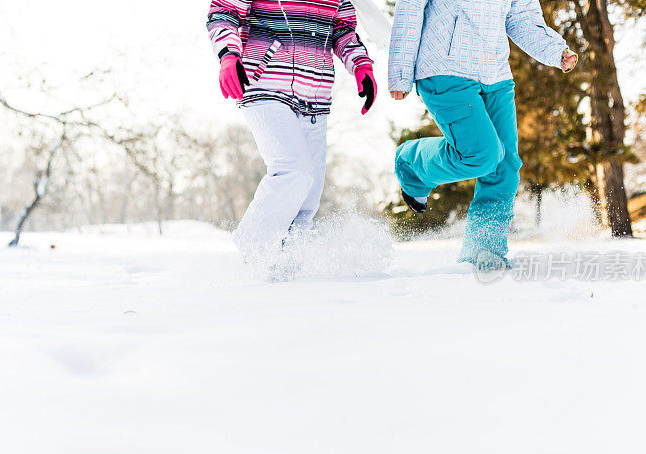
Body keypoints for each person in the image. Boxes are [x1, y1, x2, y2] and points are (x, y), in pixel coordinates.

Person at [389, 0, 578, 271]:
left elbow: (522, 18)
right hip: (445, 66)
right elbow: (410, 6)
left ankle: (484, 251)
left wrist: (554, 50)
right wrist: (400, 70)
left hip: (495, 72)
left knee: (505, 166)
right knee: (482, 156)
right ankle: (411, 162)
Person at [207, 0, 378, 279]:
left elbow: (343, 29)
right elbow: (223, 11)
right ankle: (250, 255)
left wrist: (361, 66)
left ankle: (286, 275)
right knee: (293, 171)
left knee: (307, 197)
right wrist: (228, 54)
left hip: (315, 97)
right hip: (265, 84)